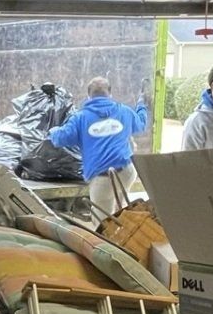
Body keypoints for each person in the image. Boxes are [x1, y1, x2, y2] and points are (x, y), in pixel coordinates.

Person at [49, 77, 149, 215]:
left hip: (102, 178)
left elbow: (60, 139)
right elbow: (141, 124)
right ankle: (123, 220)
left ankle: (111, 231)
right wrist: (141, 105)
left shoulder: (80, 118)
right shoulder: (124, 111)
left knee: (103, 223)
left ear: (89, 96)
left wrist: (52, 131)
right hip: (127, 171)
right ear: (110, 94)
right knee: (122, 211)